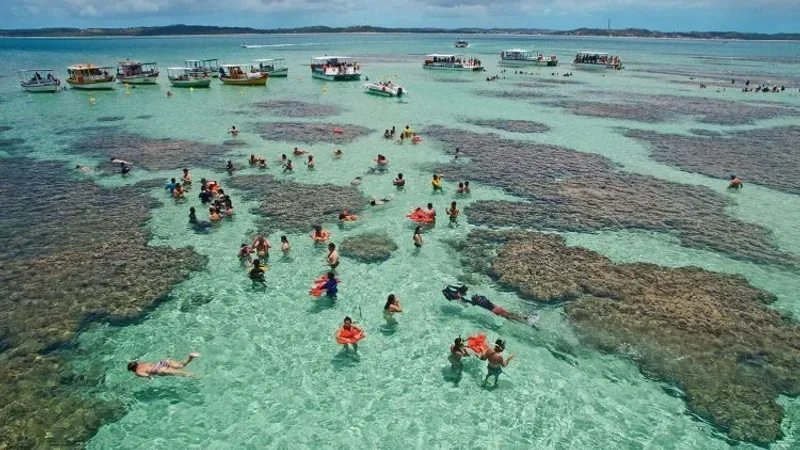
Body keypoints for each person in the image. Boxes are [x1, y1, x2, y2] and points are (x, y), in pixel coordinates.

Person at [128, 353, 200, 378]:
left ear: (132, 369)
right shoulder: (142, 364)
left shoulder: (137, 372)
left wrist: (150, 379)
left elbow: (148, 376)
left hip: (159, 369)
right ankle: (190, 357)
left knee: (181, 373)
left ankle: (198, 377)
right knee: (181, 365)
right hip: (161, 363)